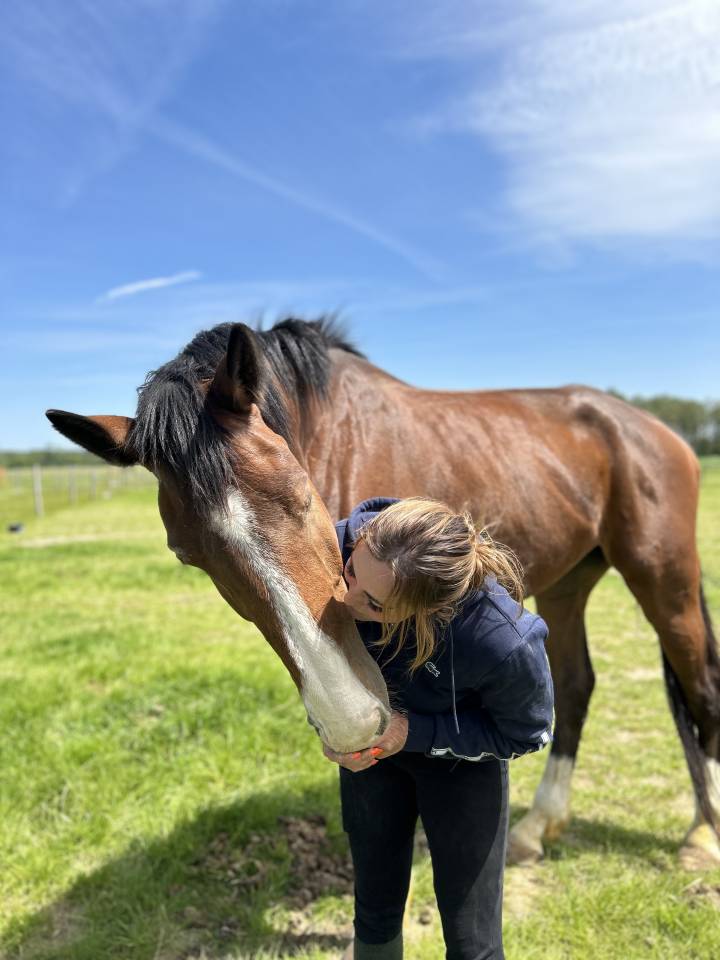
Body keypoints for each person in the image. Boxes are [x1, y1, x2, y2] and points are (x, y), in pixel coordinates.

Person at [324, 497, 554, 960]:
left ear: (429, 610)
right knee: (373, 912)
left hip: (460, 768)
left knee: (472, 943)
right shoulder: (340, 543)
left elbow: (525, 732)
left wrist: (412, 733)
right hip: (373, 761)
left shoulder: (501, 642)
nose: (346, 599)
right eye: (351, 573)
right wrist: (331, 723)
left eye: (375, 605)